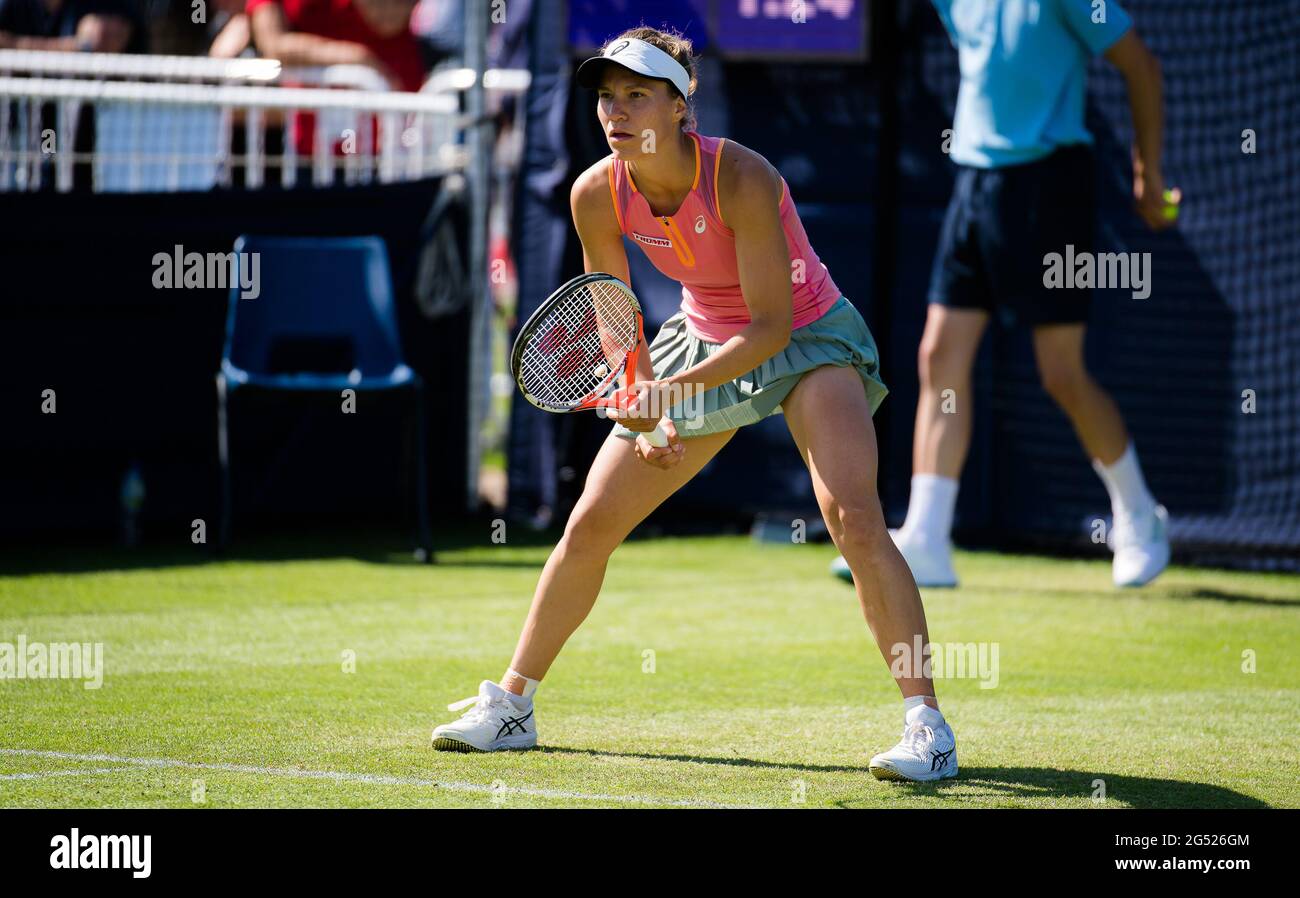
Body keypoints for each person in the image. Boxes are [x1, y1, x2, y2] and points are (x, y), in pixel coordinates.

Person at [431, 27, 959, 783]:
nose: (616, 112)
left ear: (681, 107)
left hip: (808, 338)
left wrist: (671, 393)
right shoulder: (594, 193)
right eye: (607, 96)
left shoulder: (742, 175)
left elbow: (772, 327)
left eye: (637, 94)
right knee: (590, 522)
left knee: (854, 519)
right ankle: (513, 705)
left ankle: (928, 729)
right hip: (699, 339)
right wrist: (646, 413)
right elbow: (615, 316)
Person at [834, 0, 1177, 589]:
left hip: (1051, 186)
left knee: (1061, 374)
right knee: (939, 356)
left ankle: (1141, 519)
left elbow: (1141, 67)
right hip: (974, 185)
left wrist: (1147, 172)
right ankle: (928, 538)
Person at [0, 0, 146, 52]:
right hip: (18, 115)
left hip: (92, 114)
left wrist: (14, 45)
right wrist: (75, 46)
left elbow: (101, 39)